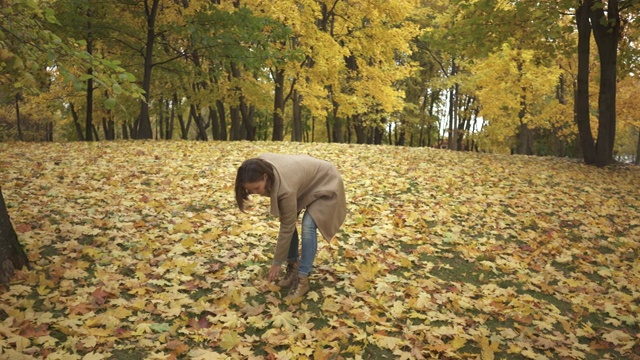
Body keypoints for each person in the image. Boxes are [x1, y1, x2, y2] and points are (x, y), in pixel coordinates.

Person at [234, 153, 346, 303]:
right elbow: (288, 221)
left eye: (256, 188)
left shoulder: (284, 188)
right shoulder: (257, 166)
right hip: (304, 183)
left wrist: (277, 262)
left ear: (265, 177)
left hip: (326, 181)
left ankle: (303, 278)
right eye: (250, 190)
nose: (255, 193)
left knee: (307, 226)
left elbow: (287, 227)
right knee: (288, 218)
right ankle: (293, 265)